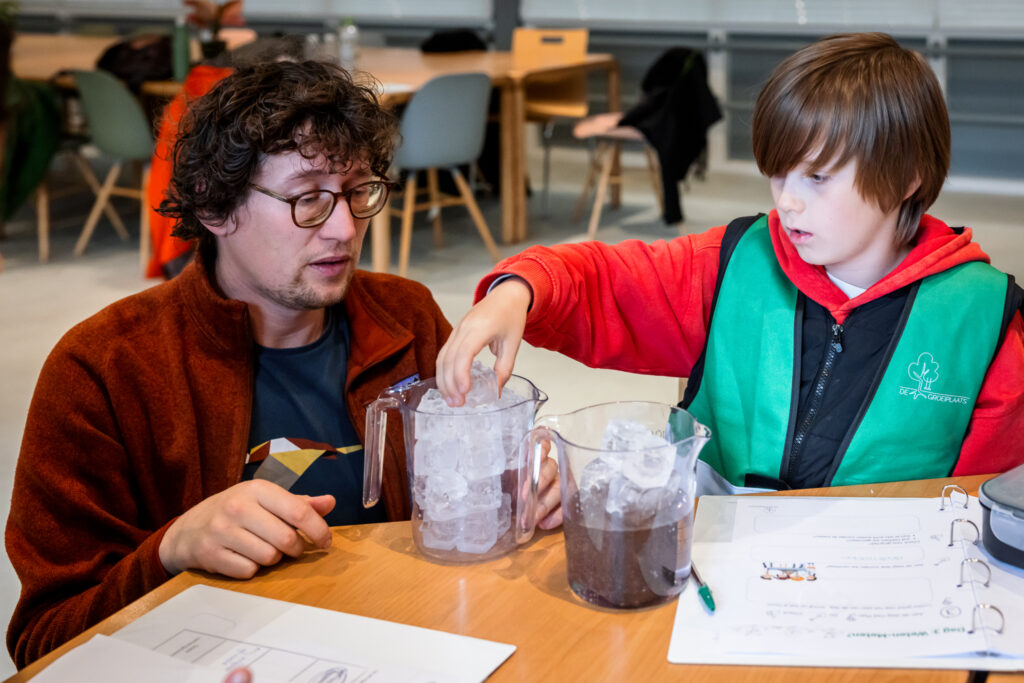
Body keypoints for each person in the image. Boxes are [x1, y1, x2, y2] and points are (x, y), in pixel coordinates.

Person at [5, 60, 561, 669]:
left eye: (358, 191)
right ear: (214, 206)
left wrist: (526, 488)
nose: (344, 228)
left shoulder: (406, 318)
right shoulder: (103, 368)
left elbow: (470, 514)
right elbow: (44, 642)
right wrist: (171, 550)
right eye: (308, 198)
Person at [436, 33, 1024, 490]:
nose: (787, 202)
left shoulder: (985, 320)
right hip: (718, 567)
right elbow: (607, 280)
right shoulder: (734, 262)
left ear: (907, 177)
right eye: (778, 174)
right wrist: (519, 289)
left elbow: (988, 502)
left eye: (818, 177)